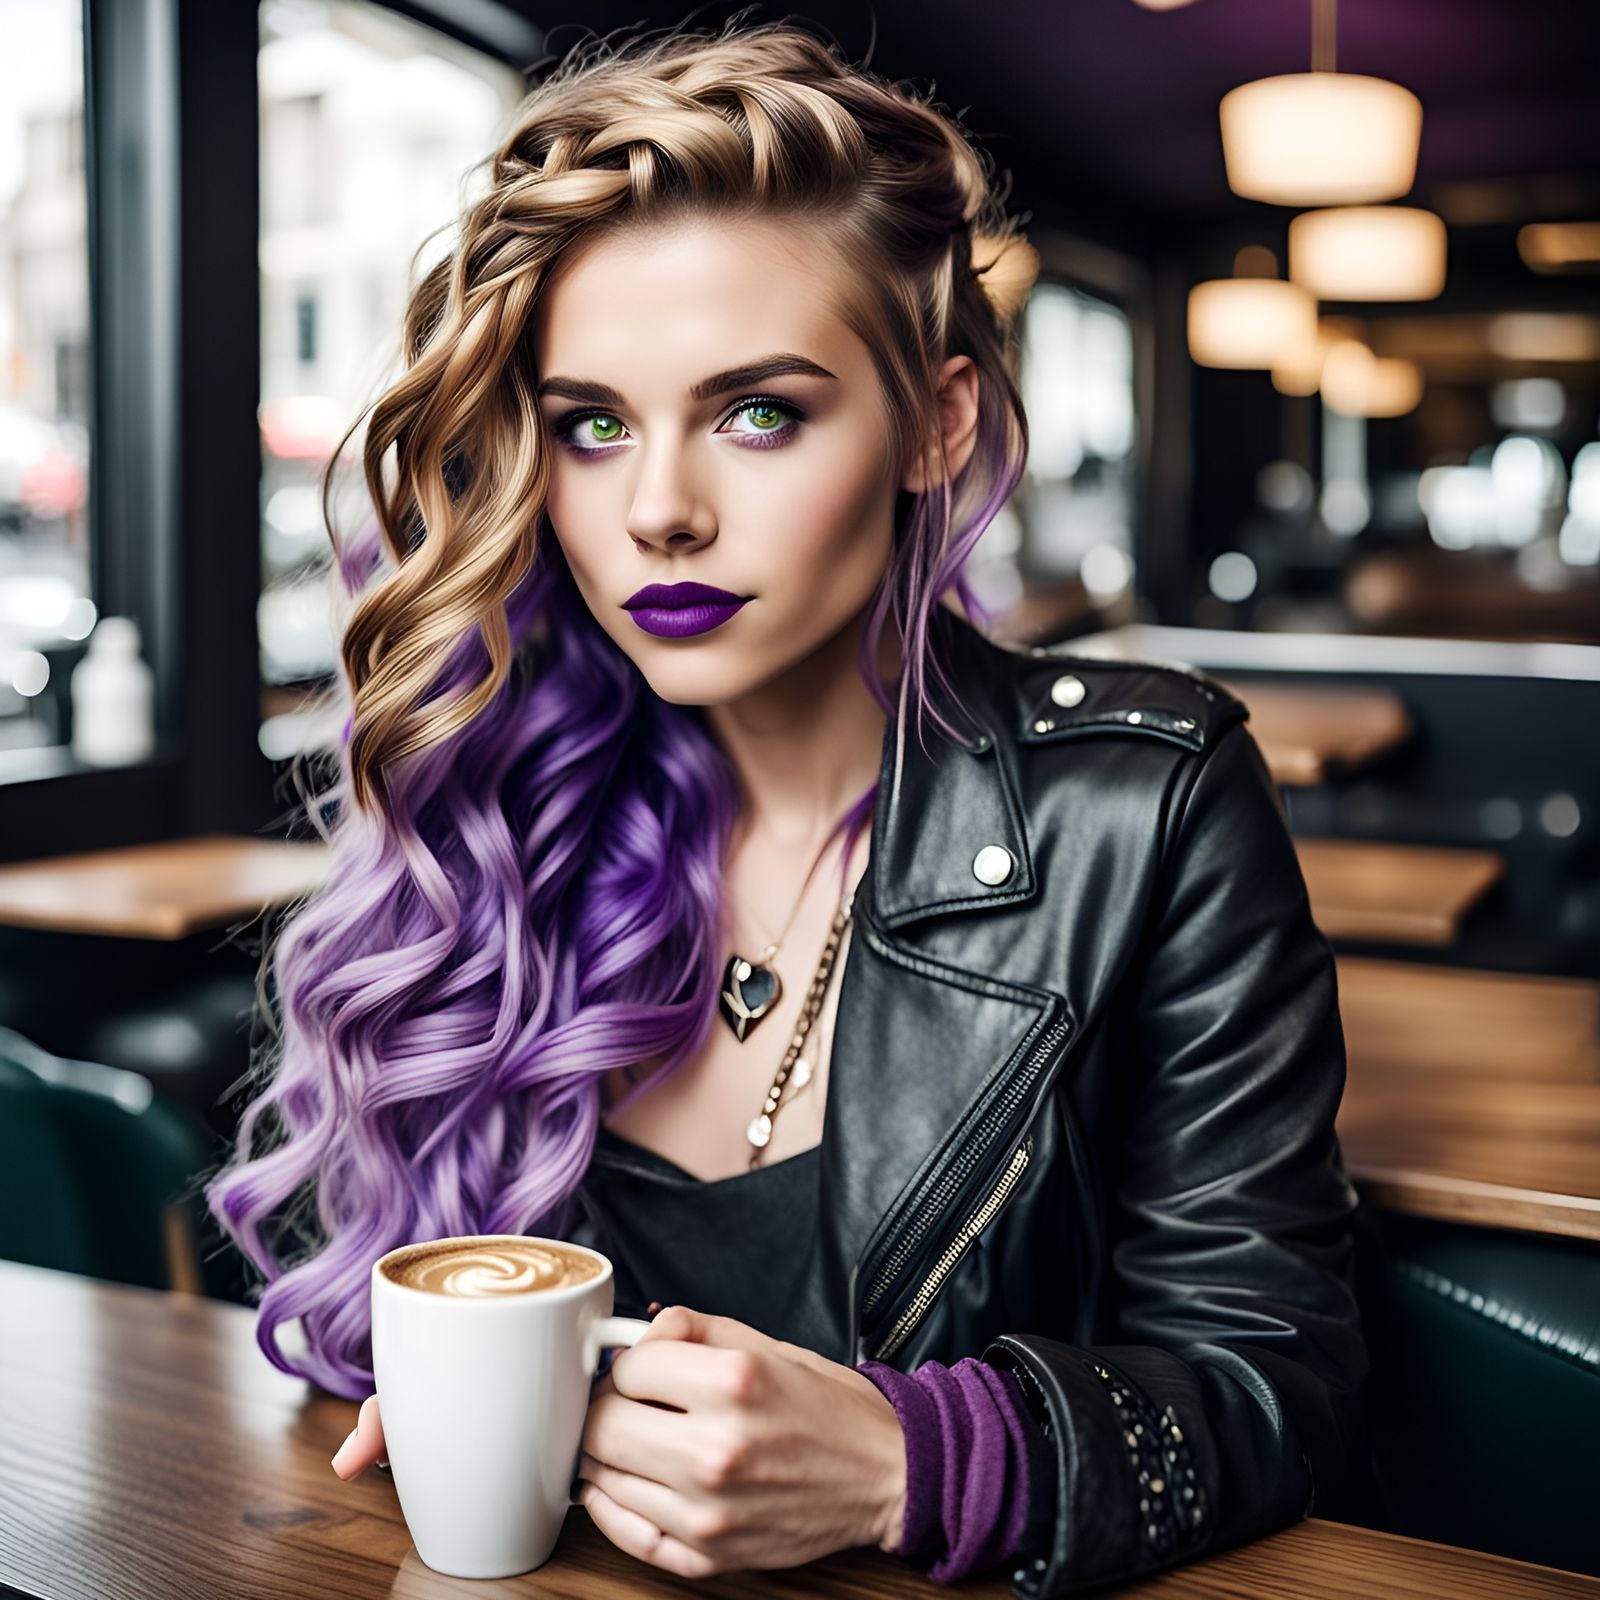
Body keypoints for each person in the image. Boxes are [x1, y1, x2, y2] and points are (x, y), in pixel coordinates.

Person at [201, 14, 1372, 1595]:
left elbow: (1277, 1390)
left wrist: (914, 1460)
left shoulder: (1143, 805)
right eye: (592, 424)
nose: (660, 510)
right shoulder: (500, 808)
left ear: (938, 423)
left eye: (758, 411)